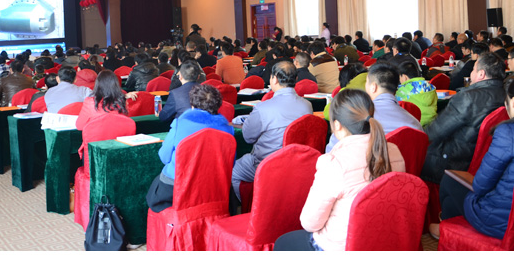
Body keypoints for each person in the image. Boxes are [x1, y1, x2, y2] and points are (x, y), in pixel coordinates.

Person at [274, 89, 405, 251]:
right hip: (382, 239)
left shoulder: (334, 163)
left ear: (337, 125)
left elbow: (310, 223)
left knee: (283, 242)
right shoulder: (393, 150)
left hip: (343, 246)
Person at [429, 78, 514, 240]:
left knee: (449, 181)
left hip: (501, 222)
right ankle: (446, 229)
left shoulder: (507, 132)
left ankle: (447, 232)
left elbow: (480, 185)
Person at [146, 84, 234, 212]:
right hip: (213, 186)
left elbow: (164, 157)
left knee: (154, 190)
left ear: (192, 105)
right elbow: (230, 163)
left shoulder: (180, 124)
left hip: (179, 187)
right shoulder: (228, 129)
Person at [232, 61, 313, 200]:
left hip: (267, 164)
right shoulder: (307, 105)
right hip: (297, 162)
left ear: (274, 79)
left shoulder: (262, 108)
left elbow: (248, 138)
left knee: (234, 171)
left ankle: (252, 207)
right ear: (296, 79)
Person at [421, 52, 506, 184]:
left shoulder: (467, 98)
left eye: (473, 69)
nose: (471, 73)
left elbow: (435, 131)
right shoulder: (506, 95)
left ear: (481, 74)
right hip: (486, 160)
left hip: (454, 160)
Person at [326, 62, 422, 152]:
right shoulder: (415, 124)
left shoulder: (354, 118)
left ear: (373, 87)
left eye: (366, 82)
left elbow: (332, 151)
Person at [396, 61, 438, 126]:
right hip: (434, 123)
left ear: (404, 77)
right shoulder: (429, 85)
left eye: (399, 77)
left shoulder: (402, 91)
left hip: (416, 125)